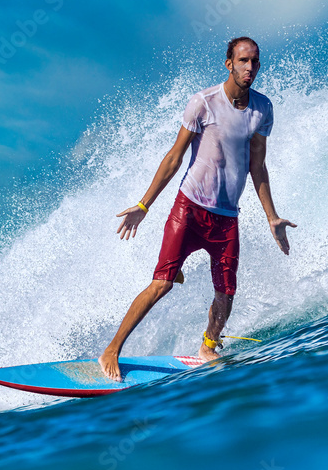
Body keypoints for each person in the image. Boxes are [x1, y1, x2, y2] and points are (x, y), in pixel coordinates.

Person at [98, 37, 296, 381]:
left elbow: (257, 166)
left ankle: (208, 346)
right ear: (228, 63)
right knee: (161, 284)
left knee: (226, 294)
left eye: (255, 62)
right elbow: (174, 158)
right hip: (188, 210)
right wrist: (144, 205)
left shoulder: (262, 109)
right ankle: (112, 349)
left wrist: (271, 216)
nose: (250, 68)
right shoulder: (203, 103)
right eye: (243, 61)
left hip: (226, 219)